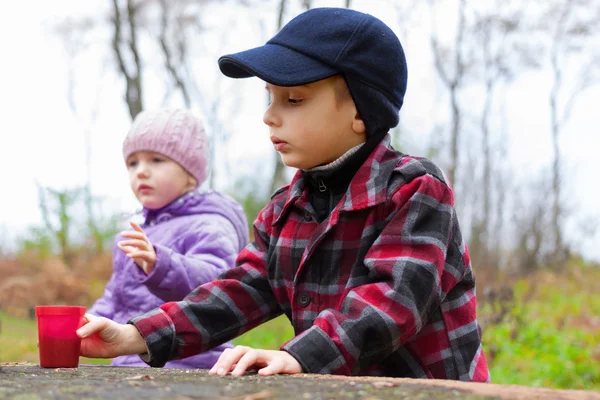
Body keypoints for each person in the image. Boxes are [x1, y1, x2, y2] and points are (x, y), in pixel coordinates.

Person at [78, 8, 489, 381]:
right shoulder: (284, 209)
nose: (269, 115)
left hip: (430, 390)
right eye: (270, 97)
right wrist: (135, 336)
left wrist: (302, 356)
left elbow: (394, 301)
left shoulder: (414, 189)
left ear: (361, 113)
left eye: (293, 99)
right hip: (334, 389)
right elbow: (238, 292)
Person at [88, 108, 249, 368]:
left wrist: (161, 265)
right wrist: (87, 322)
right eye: (133, 163)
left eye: (156, 160)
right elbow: (115, 297)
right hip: (130, 362)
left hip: (189, 363)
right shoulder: (137, 234)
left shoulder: (210, 224)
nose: (141, 171)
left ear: (190, 174)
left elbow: (218, 286)